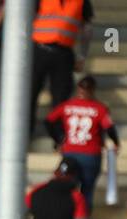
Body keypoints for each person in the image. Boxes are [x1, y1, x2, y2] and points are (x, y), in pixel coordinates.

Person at [45, 75, 119, 212]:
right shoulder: (100, 109)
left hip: (70, 152)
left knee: (66, 186)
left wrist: (58, 140)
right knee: (87, 189)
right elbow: (109, 128)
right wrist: (116, 143)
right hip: (91, 154)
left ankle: (64, 214)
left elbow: (48, 120)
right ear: (93, 90)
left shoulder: (68, 105)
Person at [29, 0, 92, 131]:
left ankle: (57, 136)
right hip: (39, 50)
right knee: (30, 93)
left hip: (63, 53)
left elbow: (87, 28)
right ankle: (25, 135)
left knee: (61, 97)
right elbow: (27, 18)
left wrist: (82, 56)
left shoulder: (81, 2)